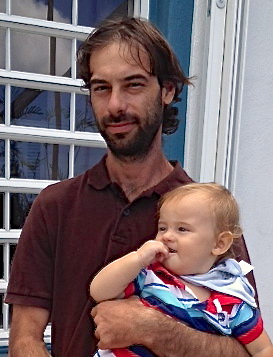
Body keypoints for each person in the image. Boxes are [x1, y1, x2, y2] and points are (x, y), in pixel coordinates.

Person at [6, 18, 256, 357]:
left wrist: (154, 330)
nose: (115, 106)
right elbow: (25, 339)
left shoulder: (209, 216)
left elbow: (249, 350)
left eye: (133, 84)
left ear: (167, 90)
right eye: (101, 88)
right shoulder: (56, 206)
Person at [90, 183, 273, 357]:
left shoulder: (231, 301)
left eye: (182, 229)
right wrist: (137, 259)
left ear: (219, 243)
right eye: (162, 228)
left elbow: (262, 349)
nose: (167, 236)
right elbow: (99, 291)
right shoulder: (152, 276)